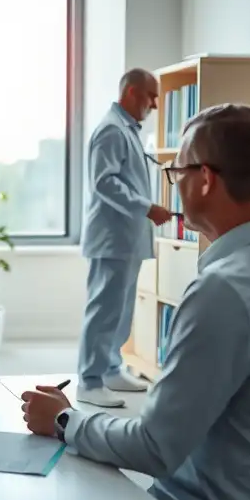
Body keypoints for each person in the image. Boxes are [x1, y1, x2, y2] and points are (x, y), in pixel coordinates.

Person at [23, 104, 250, 500]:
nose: (173, 185)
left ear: (205, 180)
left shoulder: (223, 291)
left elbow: (154, 446)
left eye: (178, 173)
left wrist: (64, 419)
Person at [79, 69, 172, 408]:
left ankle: (110, 369)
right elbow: (104, 183)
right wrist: (147, 207)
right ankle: (89, 381)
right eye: (151, 96)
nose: (156, 105)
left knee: (120, 310)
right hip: (111, 238)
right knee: (104, 309)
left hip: (125, 239)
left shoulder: (127, 129)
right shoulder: (111, 130)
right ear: (132, 92)